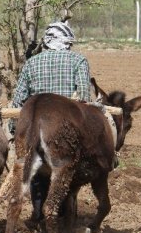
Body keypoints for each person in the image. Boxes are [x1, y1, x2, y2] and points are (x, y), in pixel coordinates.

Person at [10, 21, 91, 222]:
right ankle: (62, 213)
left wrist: (14, 131)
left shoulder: (31, 63)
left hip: (33, 126)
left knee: (36, 172)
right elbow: (84, 98)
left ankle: (37, 212)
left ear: (47, 42)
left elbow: (18, 99)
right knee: (67, 169)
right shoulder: (79, 61)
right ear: (66, 43)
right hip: (64, 127)